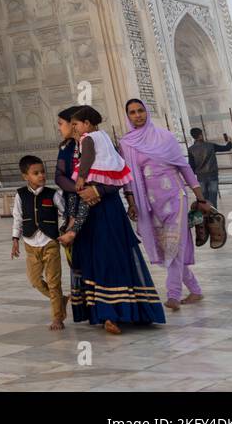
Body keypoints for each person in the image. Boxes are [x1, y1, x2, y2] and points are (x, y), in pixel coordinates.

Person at [62, 105, 165, 333]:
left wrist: (96, 190)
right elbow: (73, 186)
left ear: (85, 124)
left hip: (105, 209)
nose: (70, 128)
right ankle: (107, 312)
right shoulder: (84, 147)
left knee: (111, 257)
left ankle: (115, 313)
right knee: (97, 259)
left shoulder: (91, 141)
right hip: (90, 212)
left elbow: (114, 178)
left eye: (72, 123)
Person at [123, 100, 214, 310]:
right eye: (132, 113)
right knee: (167, 248)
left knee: (175, 245)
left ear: (147, 112)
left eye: (140, 111)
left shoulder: (165, 137)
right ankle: (195, 290)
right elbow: (128, 177)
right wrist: (131, 202)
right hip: (150, 203)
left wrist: (200, 198)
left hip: (175, 198)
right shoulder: (127, 143)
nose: (137, 115)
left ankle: (173, 294)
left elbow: (184, 168)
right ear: (128, 116)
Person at [58, 106, 132, 246]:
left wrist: (84, 181)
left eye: (75, 124)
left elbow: (87, 157)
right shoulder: (102, 135)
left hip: (105, 202)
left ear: (86, 123)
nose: (74, 128)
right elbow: (59, 177)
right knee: (76, 194)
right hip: (105, 176)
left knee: (81, 199)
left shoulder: (87, 138)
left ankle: (73, 227)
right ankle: (72, 221)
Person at [11, 155, 67, 330]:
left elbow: (65, 213)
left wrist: (65, 230)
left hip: (50, 242)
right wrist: (15, 240)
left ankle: (57, 317)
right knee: (35, 280)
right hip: (30, 243)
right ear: (25, 176)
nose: (41, 176)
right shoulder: (20, 195)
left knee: (53, 280)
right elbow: (17, 218)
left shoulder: (53, 194)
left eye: (43, 172)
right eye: (36, 173)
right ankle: (59, 299)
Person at [187, 127, 232, 209]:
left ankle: (205, 216)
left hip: (200, 177)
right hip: (213, 175)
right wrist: (229, 141)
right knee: (212, 199)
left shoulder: (191, 149)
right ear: (200, 135)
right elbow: (227, 148)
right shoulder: (211, 146)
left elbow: (191, 166)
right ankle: (213, 216)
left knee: (203, 199)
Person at [52, 107, 80, 241]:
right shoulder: (66, 147)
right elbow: (59, 176)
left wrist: (95, 191)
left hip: (98, 204)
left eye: (60, 124)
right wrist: (79, 189)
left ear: (72, 124)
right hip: (74, 201)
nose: (59, 128)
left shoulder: (94, 143)